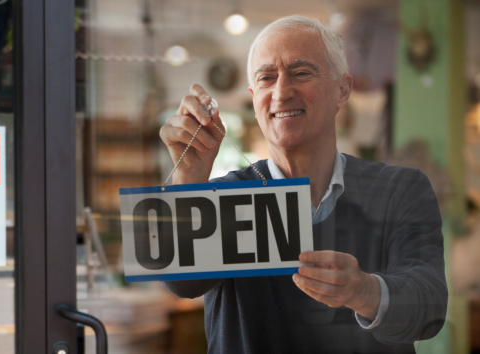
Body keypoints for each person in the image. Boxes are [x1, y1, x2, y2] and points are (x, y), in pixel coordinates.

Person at [159, 15, 447, 354]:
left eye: (301, 73)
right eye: (267, 78)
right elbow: (181, 282)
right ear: (254, 99)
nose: (281, 92)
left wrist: (364, 291)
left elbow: (430, 308)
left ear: (342, 90)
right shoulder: (225, 199)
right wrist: (188, 178)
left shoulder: (400, 190)